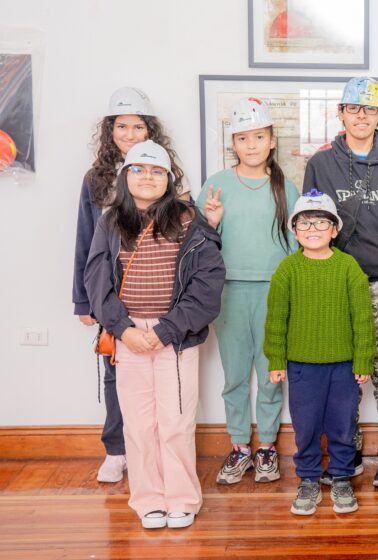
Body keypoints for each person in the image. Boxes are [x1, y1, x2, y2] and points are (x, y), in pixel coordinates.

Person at [84, 141, 225, 529]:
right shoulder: (111, 221)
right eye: (139, 170)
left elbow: (208, 283)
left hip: (175, 334)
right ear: (126, 176)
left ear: (169, 179)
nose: (147, 177)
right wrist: (123, 329)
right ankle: (148, 500)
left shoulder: (189, 221)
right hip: (129, 336)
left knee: (176, 421)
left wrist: (166, 329)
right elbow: (97, 278)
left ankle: (181, 498)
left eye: (156, 171)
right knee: (139, 423)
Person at [302, 76, 378, 487]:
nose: (361, 116)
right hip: (336, 282)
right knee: (343, 370)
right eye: (353, 109)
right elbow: (309, 224)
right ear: (340, 113)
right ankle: (346, 448)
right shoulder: (320, 163)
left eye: (369, 109)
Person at [72, 87, 186, 483]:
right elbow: (86, 241)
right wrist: (83, 300)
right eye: (121, 126)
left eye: (138, 126)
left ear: (149, 130)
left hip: (156, 292)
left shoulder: (166, 172)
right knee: (115, 368)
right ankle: (117, 449)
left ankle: (153, 449)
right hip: (111, 289)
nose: (129, 133)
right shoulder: (96, 179)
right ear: (110, 130)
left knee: (159, 373)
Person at [198, 97, 300, 485]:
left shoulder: (285, 187)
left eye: (259, 136)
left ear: (272, 140)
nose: (252, 145)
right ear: (234, 144)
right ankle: (240, 445)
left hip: (274, 291)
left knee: (271, 373)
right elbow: (201, 241)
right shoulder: (217, 184)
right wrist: (212, 221)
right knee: (235, 374)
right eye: (243, 138)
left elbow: (296, 244)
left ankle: (268, 447)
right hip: (229, 291)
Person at [264, 189, 376, 515]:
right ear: (294, 230)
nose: (313, 229)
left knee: (342, 424)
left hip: (343, 366)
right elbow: (276, 320)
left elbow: (363, 318)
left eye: (321, 222)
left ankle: (341, 476)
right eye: (305, 223)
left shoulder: (348, 267)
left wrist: (363, 358)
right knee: (306, 424)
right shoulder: (287, 269)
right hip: (301, 367)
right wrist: (275, 359)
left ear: (335, 229)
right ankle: (309, 478)